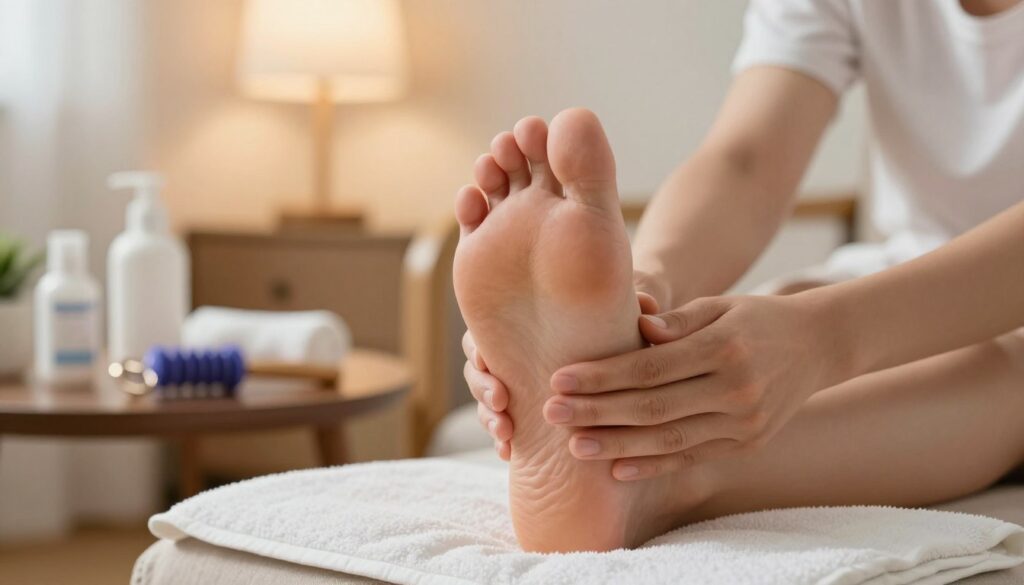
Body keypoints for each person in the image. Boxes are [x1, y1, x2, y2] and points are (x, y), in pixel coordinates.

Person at [453, 0, 1024, 553]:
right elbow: (747, 161)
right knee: (774, 311)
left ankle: (665, 475)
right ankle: (625, 447)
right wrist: (647, 301)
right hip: (899, 269)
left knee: (1007, 368)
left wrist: (829, 337)